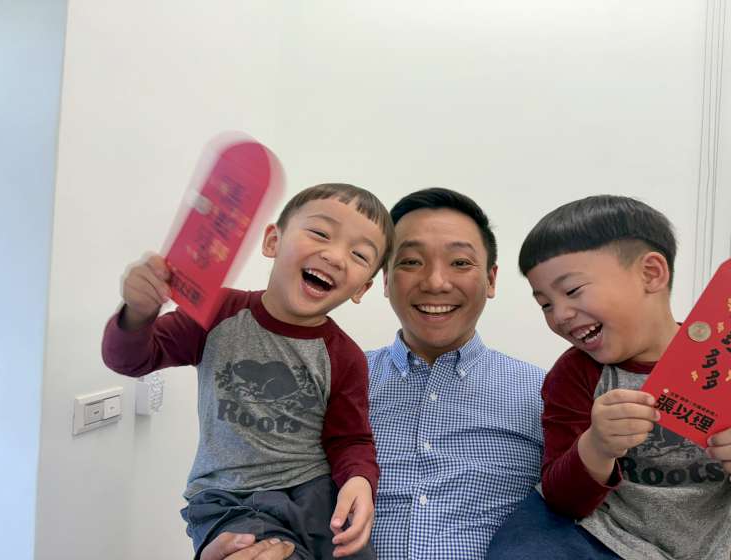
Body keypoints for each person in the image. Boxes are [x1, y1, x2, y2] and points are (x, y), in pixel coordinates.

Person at [209, 187, 546, 560]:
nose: (435, 282)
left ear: (491, 279)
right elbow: (252, 484)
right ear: (384, 280)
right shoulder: (325, 381)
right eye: (411, 261)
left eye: (460, 262)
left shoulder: (545, 393)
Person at [488, 194, 731, 559]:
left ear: (651, 273)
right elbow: (561, 499)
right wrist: (596, 446)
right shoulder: (575, 373)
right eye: (545, 304)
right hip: (586, 536)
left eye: (572, 291)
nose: (560, 315)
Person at [102, 183, 394, 559]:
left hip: (317, 495)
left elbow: (350, 439)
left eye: (358, 254)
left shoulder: (345, 356)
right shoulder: (218, 312)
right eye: (320, 233)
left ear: (362, 288)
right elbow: (130, 359)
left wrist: (359, 480)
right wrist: (138, 313)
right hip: (230, 498)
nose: (335, 256)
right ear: (273, 241)